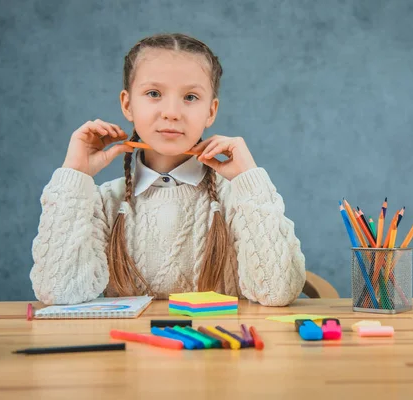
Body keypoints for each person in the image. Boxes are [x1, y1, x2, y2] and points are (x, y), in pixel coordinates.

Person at [30, 33, 306, 306]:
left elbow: (277, 291)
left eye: (190, 97)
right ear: (127, 104)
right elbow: (58, 291)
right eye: (154, 93)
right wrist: (75, 174)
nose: (172, 111)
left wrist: (251, 179)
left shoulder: (238, 199)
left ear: (211, 111)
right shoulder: (103, 202)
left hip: (220, 346)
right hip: (126, 348)